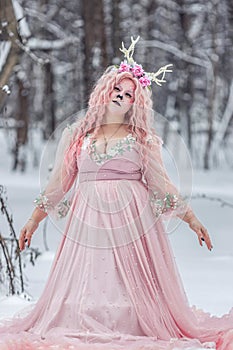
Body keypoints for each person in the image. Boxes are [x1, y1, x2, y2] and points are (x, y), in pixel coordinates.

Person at [0, 36, 233, 350]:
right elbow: (59, 183)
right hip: (87, 223)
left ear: (135, 104)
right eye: (117, 90)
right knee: (90, 282)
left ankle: (134, 320)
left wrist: (191, 219)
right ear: (105, 90)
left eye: (128, 95)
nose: (121, 97)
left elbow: (161, 185)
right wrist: (34, 220)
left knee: (127, 286)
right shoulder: (78, 133)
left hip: (132, 223)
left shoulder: (141, 140)